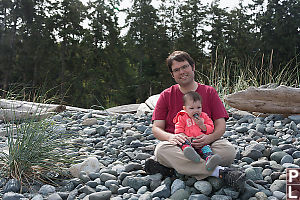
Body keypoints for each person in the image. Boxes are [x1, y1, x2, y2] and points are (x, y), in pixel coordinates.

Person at [144, 50, 245, 191]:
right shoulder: (166, 95)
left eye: (184, 67)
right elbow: (156, 128)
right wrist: (171, 137)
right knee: (161, 150)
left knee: (228, 151)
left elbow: (220, 125)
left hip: (207, 143)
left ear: (193, 67)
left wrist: (209, 138)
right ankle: (221, 173)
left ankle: (175, 169)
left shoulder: (209, 92)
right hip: (179, 146)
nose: (182, 72)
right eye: (176, 70)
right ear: (172, 75)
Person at [173, 91, 222, 171]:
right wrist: (184, 136)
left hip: (201, 140)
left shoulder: (204, 116)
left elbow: (211, 127)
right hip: (189, 140)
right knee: (183, 142)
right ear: (185, 109)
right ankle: (190, 153)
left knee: (206, 148)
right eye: (192, 108)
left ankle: (210, 160)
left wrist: (202, 125)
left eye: (198, 108)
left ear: (201, 107)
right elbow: (179, 129)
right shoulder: (182, 117)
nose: (196, 111)